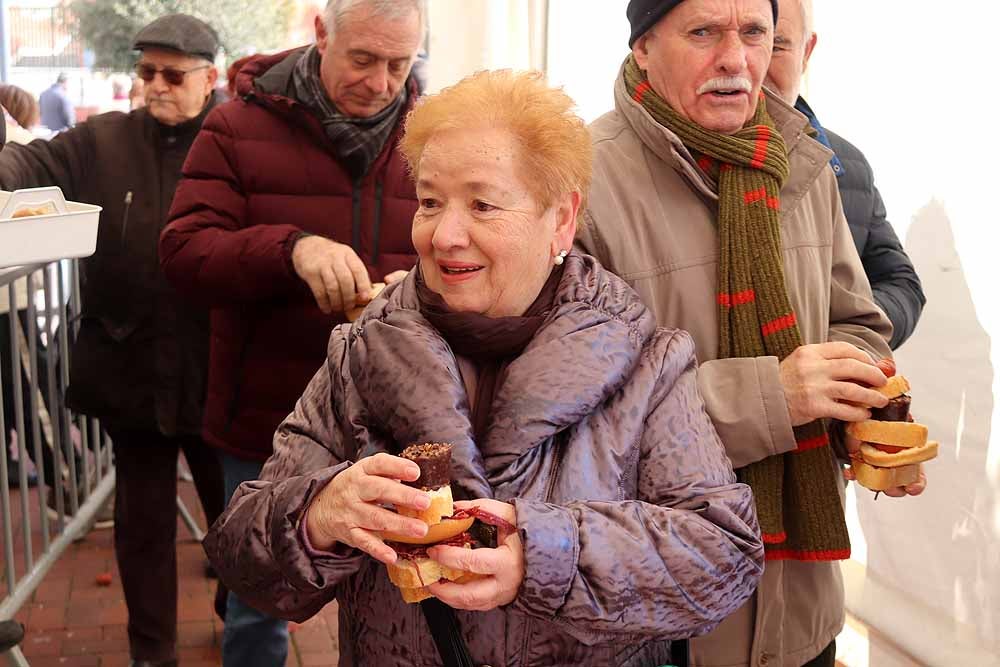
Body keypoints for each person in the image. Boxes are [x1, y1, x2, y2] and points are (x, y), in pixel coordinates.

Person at [203, 68, 764, 667]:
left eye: (482, 204)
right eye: (429, 202)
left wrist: (545, 557)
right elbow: (242, 555)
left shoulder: (648, 363)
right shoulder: (359, 352)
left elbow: (721, 556)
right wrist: (318, 514)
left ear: (562, 218)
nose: (444, 235)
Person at [577, 2, 928, 666]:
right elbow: (582, 417)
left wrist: (856, 400)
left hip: (801, 612)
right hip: (662, 619)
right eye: (704, 32)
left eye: (754, 33)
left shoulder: (802, 163)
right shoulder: (583, 182)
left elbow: (858, 322)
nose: (735, 59)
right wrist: (775, 395)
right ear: (644, 46)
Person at [159, 0, 425, 664]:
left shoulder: (431, 134)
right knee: (259, 602)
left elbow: (457, 247)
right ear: (319, 36)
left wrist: (415, 290)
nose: (380, 83)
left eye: (399, 64)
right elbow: (185, 253)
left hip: (390, 418)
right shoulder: (236, 124)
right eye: (362, 59)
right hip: (265, 420)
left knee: (392, 603)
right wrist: (291, 249)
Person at [0, 14, 227, 667]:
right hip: (130, 367)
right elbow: (32, 160)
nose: (155, 85)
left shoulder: (236, 139)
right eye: (147, 71)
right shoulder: (102, 140)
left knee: (234, 512)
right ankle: (151, 652)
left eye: (173, 74)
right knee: (142, 524)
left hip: (215, 364)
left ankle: (237, 610)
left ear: (209, 77)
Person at [764, 0, 925, 349]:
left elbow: (901, 283)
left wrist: (845, 340)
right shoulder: (661, 161)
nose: (751, 63)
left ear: (806, 52)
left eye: (776, 45)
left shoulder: (843, 163)